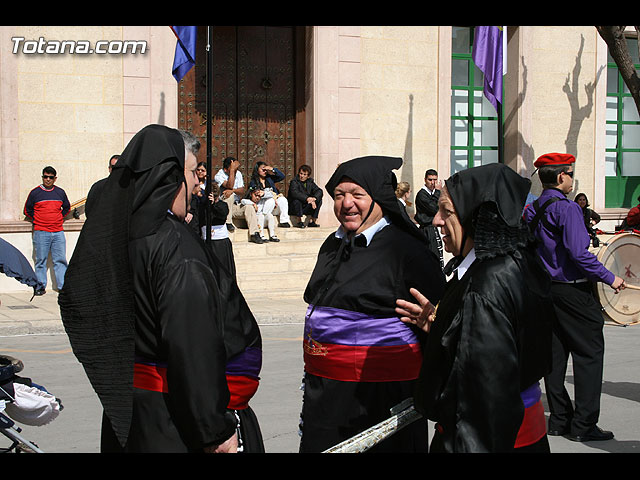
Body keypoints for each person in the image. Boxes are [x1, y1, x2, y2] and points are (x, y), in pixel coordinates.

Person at [59, 125, 264, 453]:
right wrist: (215, 431)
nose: (198, 181)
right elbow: (192, 346)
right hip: (176, 421)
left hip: (132, 412)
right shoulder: (173, 249)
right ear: (169, 175)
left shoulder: (120, 237)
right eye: (192, 171)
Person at [396, 163, 556, 453]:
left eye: (447, 211)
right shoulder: (519, 262)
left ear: (475, 216)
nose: (436, 221)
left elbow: (484, 402)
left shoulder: (484, 287)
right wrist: (445, 323)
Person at [299, 155, 445, 453]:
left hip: (378, 401)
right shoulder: (332, 244)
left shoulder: (407, 251)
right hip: (325, 395)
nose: (346, 203)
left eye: (357, 194)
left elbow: (439, 321)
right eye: (339, 195)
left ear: (379, 198)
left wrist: (435, 326)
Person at [523, 152, 625, 443]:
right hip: (572, 289)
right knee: (589, 353)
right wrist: (611, 277)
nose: (571, 178)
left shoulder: (534, 208)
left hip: (546, 289)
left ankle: (558, 419)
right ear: (560, 177)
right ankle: (584, 424)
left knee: (555, 356)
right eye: (569, 173)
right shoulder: (567, 209)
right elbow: (579, 254)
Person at [23, 166, 71, 295]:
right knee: (40, 260)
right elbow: (27, 210)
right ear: (42, 177)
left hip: (58, 232)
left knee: (60, 259)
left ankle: (62, 287)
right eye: (45, 177)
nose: (47, 179)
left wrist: (59, 218)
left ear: (55, 179)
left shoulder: (60, 192)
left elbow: (67, 207)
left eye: (50, 177)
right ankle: (40, 286)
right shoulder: (35, 193)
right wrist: (38, 219)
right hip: (41, 232)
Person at [214, 157, 262, 243]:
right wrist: (232, 171)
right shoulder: (219, 175)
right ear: (225, 169)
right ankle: (228, 222)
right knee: (229, 195)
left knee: (249, 207)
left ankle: (255, 233)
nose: (236, 169)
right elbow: (229, 186)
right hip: (224, 206)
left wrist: (232, 190)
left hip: (235, 205)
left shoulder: (238, 174)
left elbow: (242, 191)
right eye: (233, 167)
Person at [414, 169, 444, 269]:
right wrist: (438, 192)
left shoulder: (433, 193)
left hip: (433, 228)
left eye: (435, 180)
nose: (433, 183)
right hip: (426, 229)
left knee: (437, 256)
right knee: (431, 257)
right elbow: (434, 208)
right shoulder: (422, 195)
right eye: (430, 180)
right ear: (425, 180)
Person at [249, 161, 291, 227]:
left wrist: (272, 169)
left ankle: (284, 221)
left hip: (274, 206)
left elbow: (282, 176)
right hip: (263, 207)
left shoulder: (269, 178)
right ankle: (265, 219)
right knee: (270, 200)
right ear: (257, 170)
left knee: (283, 199)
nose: (264, 171)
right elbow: (257, 195)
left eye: (266, 170)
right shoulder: (253, 182)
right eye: (262, 169)